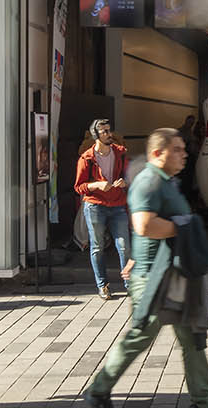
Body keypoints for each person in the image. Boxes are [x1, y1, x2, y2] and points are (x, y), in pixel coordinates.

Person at [83, 126, 208, 408]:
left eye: (184, 149)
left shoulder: (167, 180)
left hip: (173, 274)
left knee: (192, 337)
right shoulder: (150, 182)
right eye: (177, 150)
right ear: (158, 153)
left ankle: (205, 400)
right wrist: (186, 227)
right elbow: (144, 224)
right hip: (155, 279)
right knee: (140, 336)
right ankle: (98, 391)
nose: (184, 155)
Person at [74, 119, 131, 300]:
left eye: (109, 130)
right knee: (97, 247)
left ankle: (130, 285)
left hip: (118, 205)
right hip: (95, 206)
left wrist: (125, 182)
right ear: (95, 135)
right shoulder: (87, 158)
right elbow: (79, 187)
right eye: (104, 131)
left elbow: (130, 176)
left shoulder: (120, 153)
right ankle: (102, 285)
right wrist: (96, 185)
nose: (108, 134)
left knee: (124, 247)